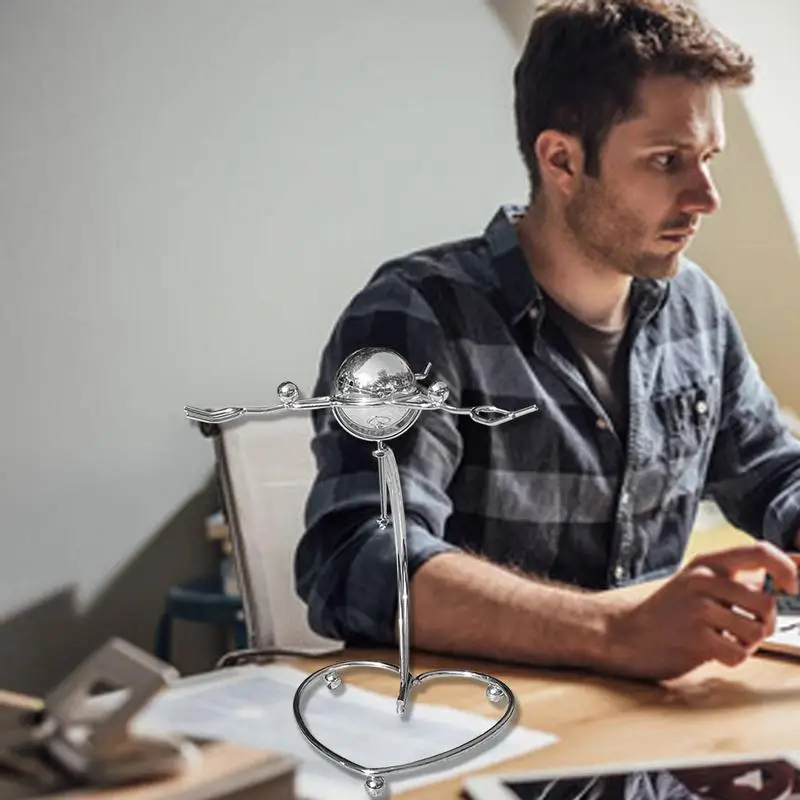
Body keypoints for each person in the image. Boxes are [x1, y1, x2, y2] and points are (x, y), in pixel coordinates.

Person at [294, 0, 800, 682]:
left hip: (652, 723)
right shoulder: (418, 314)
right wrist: (614, 632)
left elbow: (775, 473)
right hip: (474, 724)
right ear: (561, 160)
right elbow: (356, 558)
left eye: (707, 157)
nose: (707, 197)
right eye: (667, 160)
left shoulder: (695, 310)